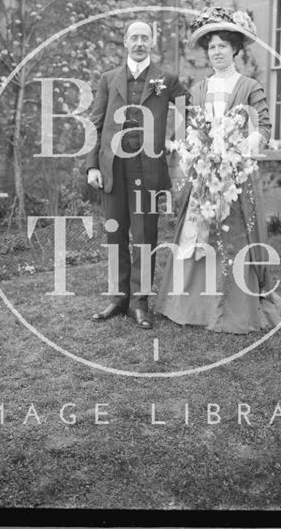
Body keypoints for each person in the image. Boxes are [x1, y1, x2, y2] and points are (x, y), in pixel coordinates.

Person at [156, 7, 281, 333]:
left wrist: (239, 147)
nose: (216, 51)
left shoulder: (249, 86)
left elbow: (262, 127)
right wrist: (196, 152)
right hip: (205, 175)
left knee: (233, 236)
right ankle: (194, 306)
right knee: (198, 233)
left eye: (222, 45)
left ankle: (236, 307)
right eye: (211, 46)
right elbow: (190, 129)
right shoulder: (197, 90)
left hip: (236, 177)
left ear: (235, 48)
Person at [86, 20, 188, 329]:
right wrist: (92, 165)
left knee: (145, 235)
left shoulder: (166, 79)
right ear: (125, 41)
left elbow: (188, 109)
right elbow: (96, 122)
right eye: (135, 37)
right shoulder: (108, 79)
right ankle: (119, 299)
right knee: (116, 233)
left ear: (152, 42)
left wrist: (177, 140)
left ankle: (140, 302)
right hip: (113, 166)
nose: (140, 42)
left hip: (148, 168)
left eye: (145, 37)